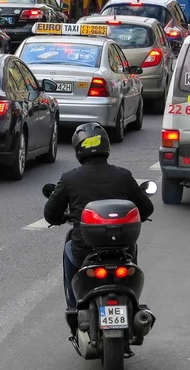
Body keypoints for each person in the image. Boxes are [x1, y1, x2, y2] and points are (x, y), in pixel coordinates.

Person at [43, 123, 154, 341]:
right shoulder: (123, 176)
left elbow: (50, 214)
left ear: (77, 149)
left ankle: (73, 305)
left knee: (68, 248)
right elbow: (147, 208)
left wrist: (61, 217)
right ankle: (132, 298)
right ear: (106, 146)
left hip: (84, 253)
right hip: (123, 253)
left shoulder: (69, 178)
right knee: (134, 249)